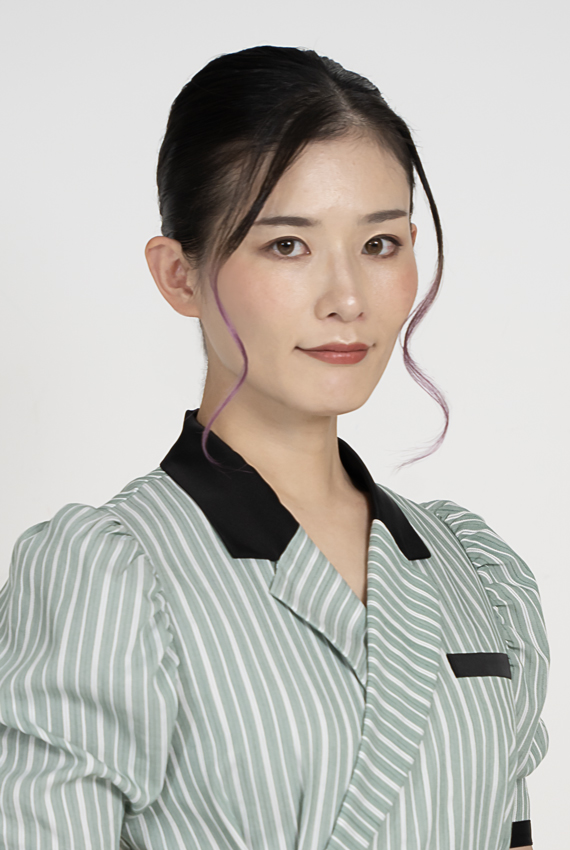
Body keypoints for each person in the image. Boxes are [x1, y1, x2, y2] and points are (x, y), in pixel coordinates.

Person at [0, 45, 548, 850]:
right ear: (179, 275)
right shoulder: (112, 575)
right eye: (288, 245)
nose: (347, 299)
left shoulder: (474, 570)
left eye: (380, 244)